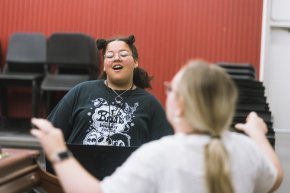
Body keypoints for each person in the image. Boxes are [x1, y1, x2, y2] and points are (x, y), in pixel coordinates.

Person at [31, 60, 283, 193]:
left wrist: (58, 152)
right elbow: (275, 177)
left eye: (171, 88)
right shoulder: (245, 150)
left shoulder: (159, 155)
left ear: (181, 105)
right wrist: (257, 135)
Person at [47, 34, 173, 146]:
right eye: (110, 55)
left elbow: (165, 147)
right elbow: (50, 132)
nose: (116, 58)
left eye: (123, 54)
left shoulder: (150, 103)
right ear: (104, 66)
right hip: (79, 171)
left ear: (135, 62)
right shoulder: (81, 91)